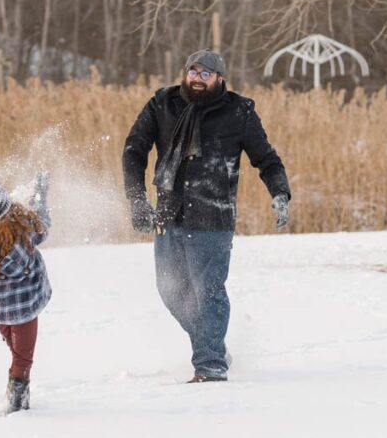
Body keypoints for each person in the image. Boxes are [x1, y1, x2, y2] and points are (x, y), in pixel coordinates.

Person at [122, 49, 291, 382]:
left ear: (220, 79)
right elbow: (134, 149)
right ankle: (211, 344)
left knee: (209, 290)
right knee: (170, 291)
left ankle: (210, 365)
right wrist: (137, 199)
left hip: (213, 216)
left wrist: (280, 192)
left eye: (206, 74)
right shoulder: (163, 103)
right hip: (168, 214)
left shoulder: (239, 112)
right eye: (193, 72)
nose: (197, 79)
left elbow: (266, 158)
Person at [0, 172, 51, 413]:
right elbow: (43, 228)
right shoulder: (24, 228)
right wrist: (40, 196)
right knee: (22, 357)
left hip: (1, 311)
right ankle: (17, 403)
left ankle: (14, 394)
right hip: (26, 310)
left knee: (18, 353)